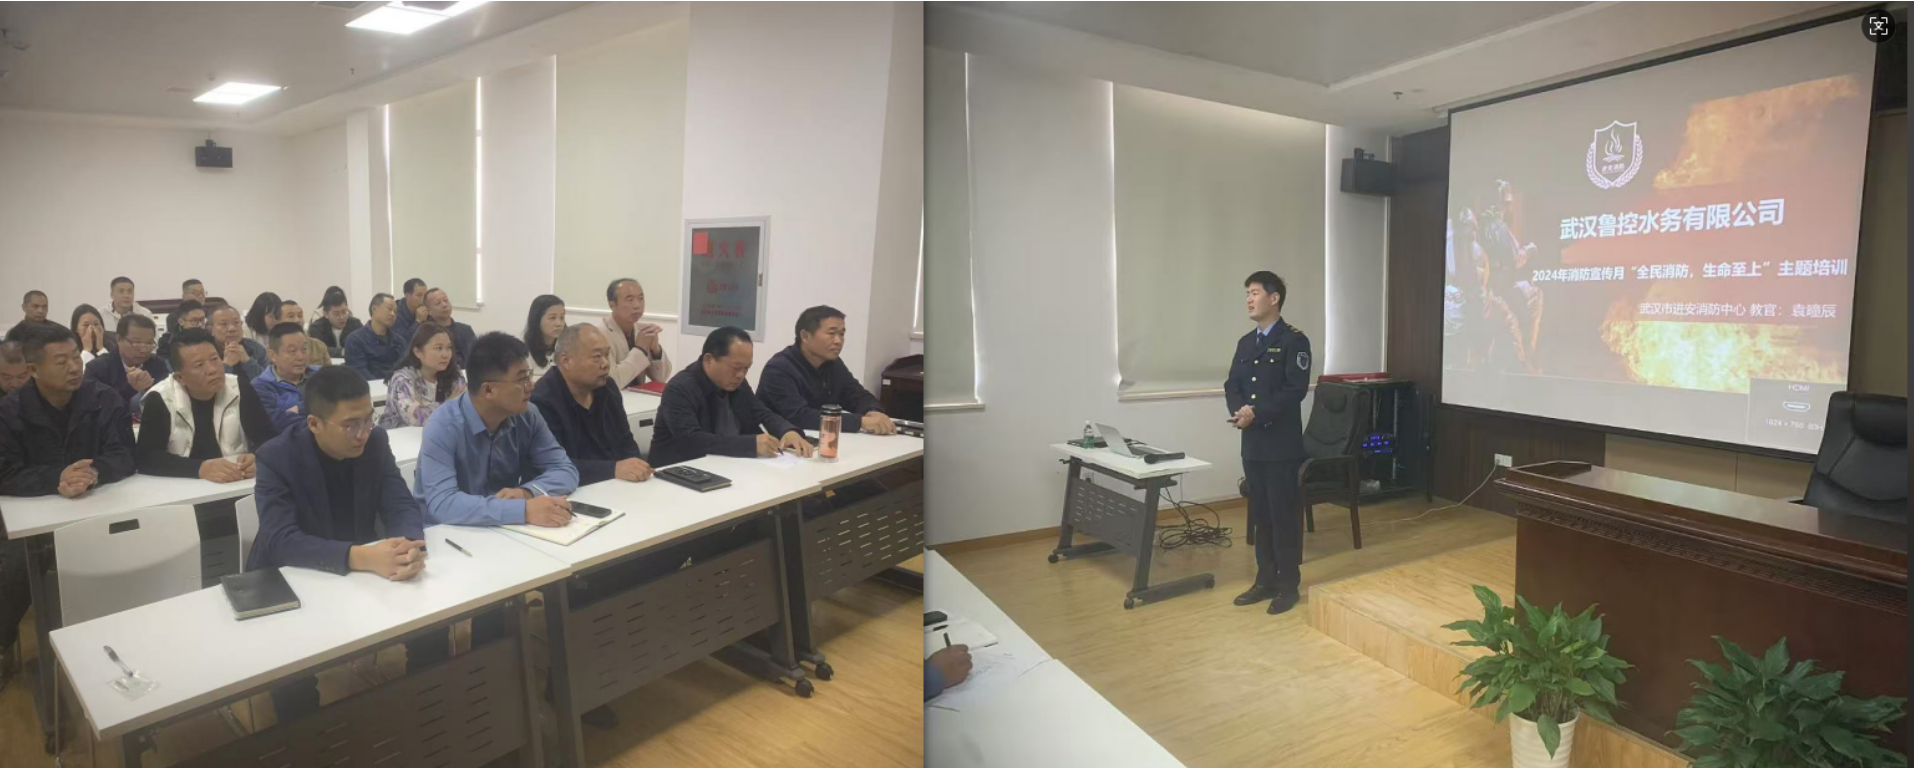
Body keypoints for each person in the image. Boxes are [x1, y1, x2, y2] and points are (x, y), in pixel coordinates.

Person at [247, 366, 442, 722]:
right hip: (292, 574)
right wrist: (360, 556)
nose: (363, 433)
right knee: (292, 672)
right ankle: (310, 738)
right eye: (351, 425)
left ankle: (430, 714)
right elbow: (280, 539)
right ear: (314, 423)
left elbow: (399, 500)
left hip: (357, 568)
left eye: (368, 419)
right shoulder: (277, 456)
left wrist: (409, 544)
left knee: (433, 626)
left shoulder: (375, 442)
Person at [1225, 271, 1312, 616]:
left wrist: (1256, 413)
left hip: (1281, 446)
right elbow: (1232, 384)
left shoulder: (1294, 341)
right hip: (1253, 444)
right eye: (1247, 293)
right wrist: (1240, 411)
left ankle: (1288, 585)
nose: (1249, 299)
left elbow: (1295, 390)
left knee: (1283, 516)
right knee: (1261, 515)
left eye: (1255, 292)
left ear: (1274, 299)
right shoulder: (1246, 343)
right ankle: (1264, 580)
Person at [0, 324, 138, 498]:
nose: (74, 368)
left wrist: (92, 473)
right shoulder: (10, 412)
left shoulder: (105, 399)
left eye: (76, 357)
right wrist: (57, 477)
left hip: (98, 499)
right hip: (36, 506)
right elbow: (5, 472)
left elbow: (126, 454)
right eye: (61, 362)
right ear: (33, 370)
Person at [652, 326, 812, 467]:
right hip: (679, 470)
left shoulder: (737, 383)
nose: (741, 375)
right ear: (709, 360)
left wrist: (787, 431)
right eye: (736, 367)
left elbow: (761, 412)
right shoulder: (680, 388)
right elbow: (692, 440)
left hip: (727, 466)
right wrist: (750, 444)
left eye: (746, 368)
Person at [135, 328, 277, 482]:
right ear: (180, 378)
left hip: (235, 482)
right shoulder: (160, 398)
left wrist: (257, 457)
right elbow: (146, 458)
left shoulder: (239, 387)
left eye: (215, 359)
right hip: (182, 486)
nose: (212, 370)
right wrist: (200, 468)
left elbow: (268, 438)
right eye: (199, 365)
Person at [532, 324, 652, 485]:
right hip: (570, 489)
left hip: (617, 485)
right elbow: (552, 464)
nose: (605, 364)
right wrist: (613, 469)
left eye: (607, 355)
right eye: (597, 356)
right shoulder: (542, 400)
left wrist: (635, 467)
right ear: (566, 361)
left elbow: (626, 442)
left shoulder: (607, 388)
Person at [758, 306, 895, 436]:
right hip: (781, 441)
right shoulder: (779, 368)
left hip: (820, 438)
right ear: (805, 336)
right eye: (831, 333)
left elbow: (856, 394)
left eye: (842, 334)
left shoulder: (833, 364)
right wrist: (860, 422)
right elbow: (799, 416)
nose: (838, 341)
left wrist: (873, 411)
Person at [380, 322, 466, 429]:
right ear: (417, 352)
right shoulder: (401, 379)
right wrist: (449, 404)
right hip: (399, 435)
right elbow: (417, 417)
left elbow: (466, 404)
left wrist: (427, 408)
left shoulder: (454, 372)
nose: (446, 354)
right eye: (439, 348)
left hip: (439, 432)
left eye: (449, 348)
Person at [84, 313, 170, 415]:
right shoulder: (97, 368)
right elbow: (95, 408)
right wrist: (130, 388)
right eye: (136, 343)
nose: (143, 350)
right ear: (119, 339)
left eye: (149, 343)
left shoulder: (158, 363)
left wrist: (150, 385)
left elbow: (169, 399)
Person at [600, 278, 672, 389]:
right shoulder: (601, 335)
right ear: (612, 305)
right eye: (630, 300)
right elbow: (612, 381)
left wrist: (656, 350)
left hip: (638, 397)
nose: (637, 305)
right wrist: (640, 350)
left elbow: (661, 378)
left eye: (640, 298)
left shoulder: (641, 330)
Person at [253, 323, 321, 434]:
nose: (301, 357)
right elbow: (273, 424)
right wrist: (313, 408)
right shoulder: (260, 387)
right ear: (273, 355)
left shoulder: (322, 375)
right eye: (292, 351)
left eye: (304, 349)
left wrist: (296, 410)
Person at [345, 293, 406, 382]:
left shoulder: (399, 341)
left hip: (395, 387)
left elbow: (404, 370)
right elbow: (359, 372)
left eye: (395, 311)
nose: (393, 314)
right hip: (369, 387)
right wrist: (382, 385)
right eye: (389, 309)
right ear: (374, 309)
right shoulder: (355, 340)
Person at [210, 303, 269, 383]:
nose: (232, 329)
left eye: (236, 322)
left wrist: (247, 361)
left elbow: (269, 384)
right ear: (211, 330)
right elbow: (208, 385)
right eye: (224, 324)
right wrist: (226, 365)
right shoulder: (206, 352)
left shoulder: (255, 348)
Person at [421, 288, 477, 367]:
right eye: (438, 303)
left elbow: (477, 357)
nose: (444, 305)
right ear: (429, 311)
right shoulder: (425, 332)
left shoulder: (466, 329)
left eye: (445, 300)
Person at [275, 300, 334, 367]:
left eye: (300, 316)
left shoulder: (318, 346)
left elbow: (330, 372)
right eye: (291, 316)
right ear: (278, 322)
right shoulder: (273, 348)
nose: (297, 320)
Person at [308, 287, 362, 359]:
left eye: (344, 312)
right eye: (336, 314)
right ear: (326, 314)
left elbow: (363, 345)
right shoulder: (317, 327)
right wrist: (342, 351)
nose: (342, 317)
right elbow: (318, 350)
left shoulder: (355, 324)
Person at [523, 295, 566, 378]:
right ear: (537, 319)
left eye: (562, 317)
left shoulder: (567, 349)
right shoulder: (524, 354)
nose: (559, 323)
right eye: (552, 318)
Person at [391, 277, 429, 345]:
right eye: (419, 295)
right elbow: (402, 344)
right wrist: (418, 321)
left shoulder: (428, 308)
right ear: (407, 296)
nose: (423, 299)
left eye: (425, 295)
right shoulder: (395, 313)